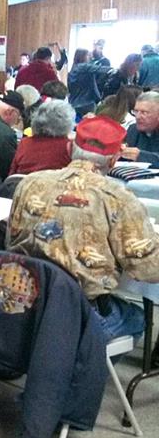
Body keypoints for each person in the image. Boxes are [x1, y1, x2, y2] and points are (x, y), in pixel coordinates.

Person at [8, 115, 159, 339]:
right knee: (136, 317)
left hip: (18, 301)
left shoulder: (29, 182)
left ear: (70, 147)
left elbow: (11, 240)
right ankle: (81, 368)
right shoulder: (119, 198)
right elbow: (148, 268)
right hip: (75, 312)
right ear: (114, 160)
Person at [8, 99, 73, 175]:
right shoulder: (69, 147)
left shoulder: (25, 143)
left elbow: (12, 174)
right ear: (67, 123)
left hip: (24, 185)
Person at [67, 48, 111, 119]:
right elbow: (101, 69)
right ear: (82, 56)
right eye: (88, 55)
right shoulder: (84, 66)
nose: (90, 57)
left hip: (73, 103)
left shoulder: (73, 69)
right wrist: (116, 70)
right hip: (87, 104)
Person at [122, 90, 159, 166]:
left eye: (144, 112)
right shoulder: (133, 129)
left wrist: (140, 156)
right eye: (136, 111)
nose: (138, 117)